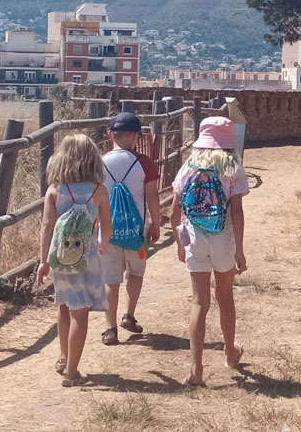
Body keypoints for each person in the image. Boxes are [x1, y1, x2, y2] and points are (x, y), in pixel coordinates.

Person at [169, 116, 248, 387]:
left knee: (199, 302)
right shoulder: (231, 167)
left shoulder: (188, 167)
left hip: (194, 236)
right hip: (222, 236)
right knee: (225, 296)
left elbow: (173, 212)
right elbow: (236, 211)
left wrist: (181, 243)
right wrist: (240, 250)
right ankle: (230, 351)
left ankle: (195, 369)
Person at [36, 134, 112, 386]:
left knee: (65, 306)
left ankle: (63, 356)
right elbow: (106, 225)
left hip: (60, 259)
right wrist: (102, 243)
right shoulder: (99, 191)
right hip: (87, 259)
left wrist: (43, 260)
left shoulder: (55, 191)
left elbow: (47, 226)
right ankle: (71, 371)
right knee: (81, 312)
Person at [99, 111, 161, 346]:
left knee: (110, 280)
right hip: (137, 232)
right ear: (136, 136)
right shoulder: (143, 162)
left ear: (110, 135)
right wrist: (155, 224)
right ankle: (129, 315)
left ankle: (110, 328)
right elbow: (152, 196)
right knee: (135, 273)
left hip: (107, 230)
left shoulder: (100, 162)